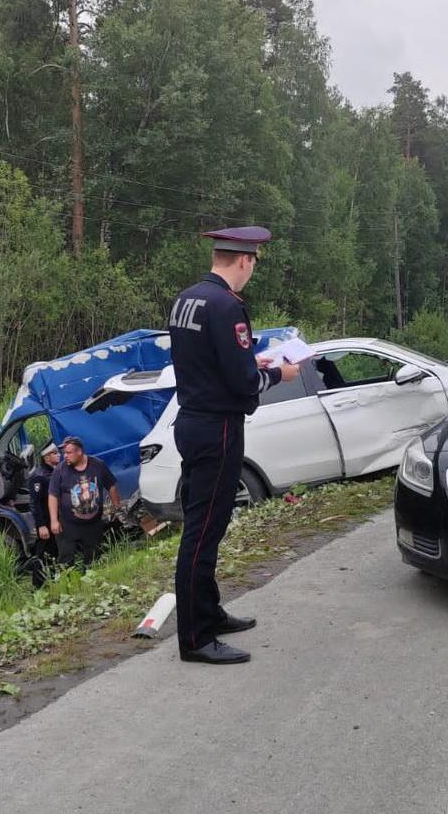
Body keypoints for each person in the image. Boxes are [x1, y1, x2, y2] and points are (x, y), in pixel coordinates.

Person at [168, 226, 300, 665]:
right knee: (203, 533)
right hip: (218, 428)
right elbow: (244, 383)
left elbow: (207, 361)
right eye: (255, 263)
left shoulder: (187, 299)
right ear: (244, 260)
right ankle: (196, 639)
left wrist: (250, 360)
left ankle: (210, 613)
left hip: (191, 420)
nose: (252, 271)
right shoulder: (228, 306)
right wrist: (276, 373)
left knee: (206, 525)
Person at [48, 436, 120, 566]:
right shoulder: (60, 470)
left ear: (79, 452)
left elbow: (111, 485)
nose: (65, 456)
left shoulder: (97, 465)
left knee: (93, 558)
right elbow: (53, 495)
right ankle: (68, 582)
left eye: (69, 453)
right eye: (64, 453)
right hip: (68, 524)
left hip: (93, 523)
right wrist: (54, 520)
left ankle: (92, 580)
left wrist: (117, 507)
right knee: (66, 559)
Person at [26, 442, 60, 582]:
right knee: (43, 552)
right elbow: (35, 503)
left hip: (54, 518)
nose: (58, 455)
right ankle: (38, 583)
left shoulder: (53, 471)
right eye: (54, 453)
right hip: (46, 521)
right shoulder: (39, 476)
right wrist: (41, 525)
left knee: (53, 551)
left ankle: (52, 578)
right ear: (46, 457)